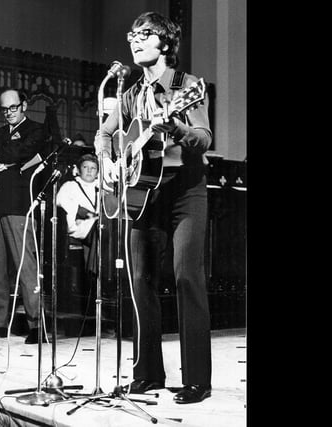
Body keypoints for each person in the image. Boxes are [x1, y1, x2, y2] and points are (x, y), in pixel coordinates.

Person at [95, 11, 213, 404]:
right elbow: (105, 133)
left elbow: (203, 137)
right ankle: (148, 373)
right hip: (143, 193)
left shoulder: (187, 86)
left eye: (145, 34)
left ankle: (197, 379)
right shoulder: (128, 95)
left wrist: (174, 128)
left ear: (165, 42)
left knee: (185, 277)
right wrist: (110, 159)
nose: (135, 40)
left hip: (185, 190)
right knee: (140, 280)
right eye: (132, 34)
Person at [0, 88, 47, 344]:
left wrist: (1, 156)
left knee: (26, 267)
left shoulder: (36, 130)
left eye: (13, 107)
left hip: (18, 205)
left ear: (24, 106)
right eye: (5, 109)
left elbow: (18, 154)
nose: (9, 113)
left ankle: (37, 324)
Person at [56, 153, 100, 275]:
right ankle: (92, 275)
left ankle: (94, 274)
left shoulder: (101, 188)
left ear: (97, 173)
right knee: (99, 228)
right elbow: (59, 201)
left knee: (102, 228)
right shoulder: (71, 186)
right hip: (79, 226)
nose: (90, 171)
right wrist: (85, 212)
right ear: (79, 170)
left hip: (96, 226)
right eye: (86, 167)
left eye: (93, 168)